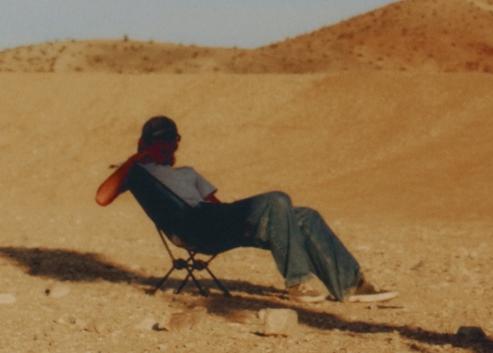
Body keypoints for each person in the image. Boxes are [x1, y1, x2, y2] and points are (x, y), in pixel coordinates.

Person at [96, 116, 395, 305]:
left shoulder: (189, 172)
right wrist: (136, 158)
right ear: (146, 144)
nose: (167, 149)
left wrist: (256, 221)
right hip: (190, 227)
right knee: (277, 199)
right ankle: (297, 284)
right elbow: (101, 197)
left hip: (216, 221)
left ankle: (351, 285)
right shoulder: (139, 174)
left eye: (171, 143)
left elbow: (218, 207)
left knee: (305, 216)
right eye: (159, 143)